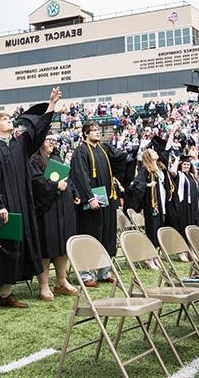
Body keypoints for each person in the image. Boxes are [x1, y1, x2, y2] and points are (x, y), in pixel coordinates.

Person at [0, 89, 59, 315]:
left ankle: (6, 294)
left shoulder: (19, 144)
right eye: (4, 119)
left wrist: (51, 105)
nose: (9, 121)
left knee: (14, 250)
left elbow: (39, 131)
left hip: (20, 204)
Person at [69, 120, 133, 286]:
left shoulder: (104, 149)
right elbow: (80, 175)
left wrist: (133, 153)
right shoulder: (80, 151)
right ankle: (86, 274)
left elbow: (120, 158)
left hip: (107, 199)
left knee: (107, 234)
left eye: (98, 129)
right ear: (85, 133)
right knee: (90, 235)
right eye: (94, 130)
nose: (98, 132)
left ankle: (104, 271)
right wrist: (89, 197)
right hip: (92, 201)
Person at [29, 134, 78, 301]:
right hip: (45, 210)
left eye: (53, 140)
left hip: (62, 207)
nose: (52, 143)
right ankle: (44, 285)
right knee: (46, 246)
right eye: (48, 139)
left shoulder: (57, 157)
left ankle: (61, 281)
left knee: (62, 244)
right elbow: (36, 183)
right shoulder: (34, 160)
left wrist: (73, 192)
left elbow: (67, 178)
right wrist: (55, 185)